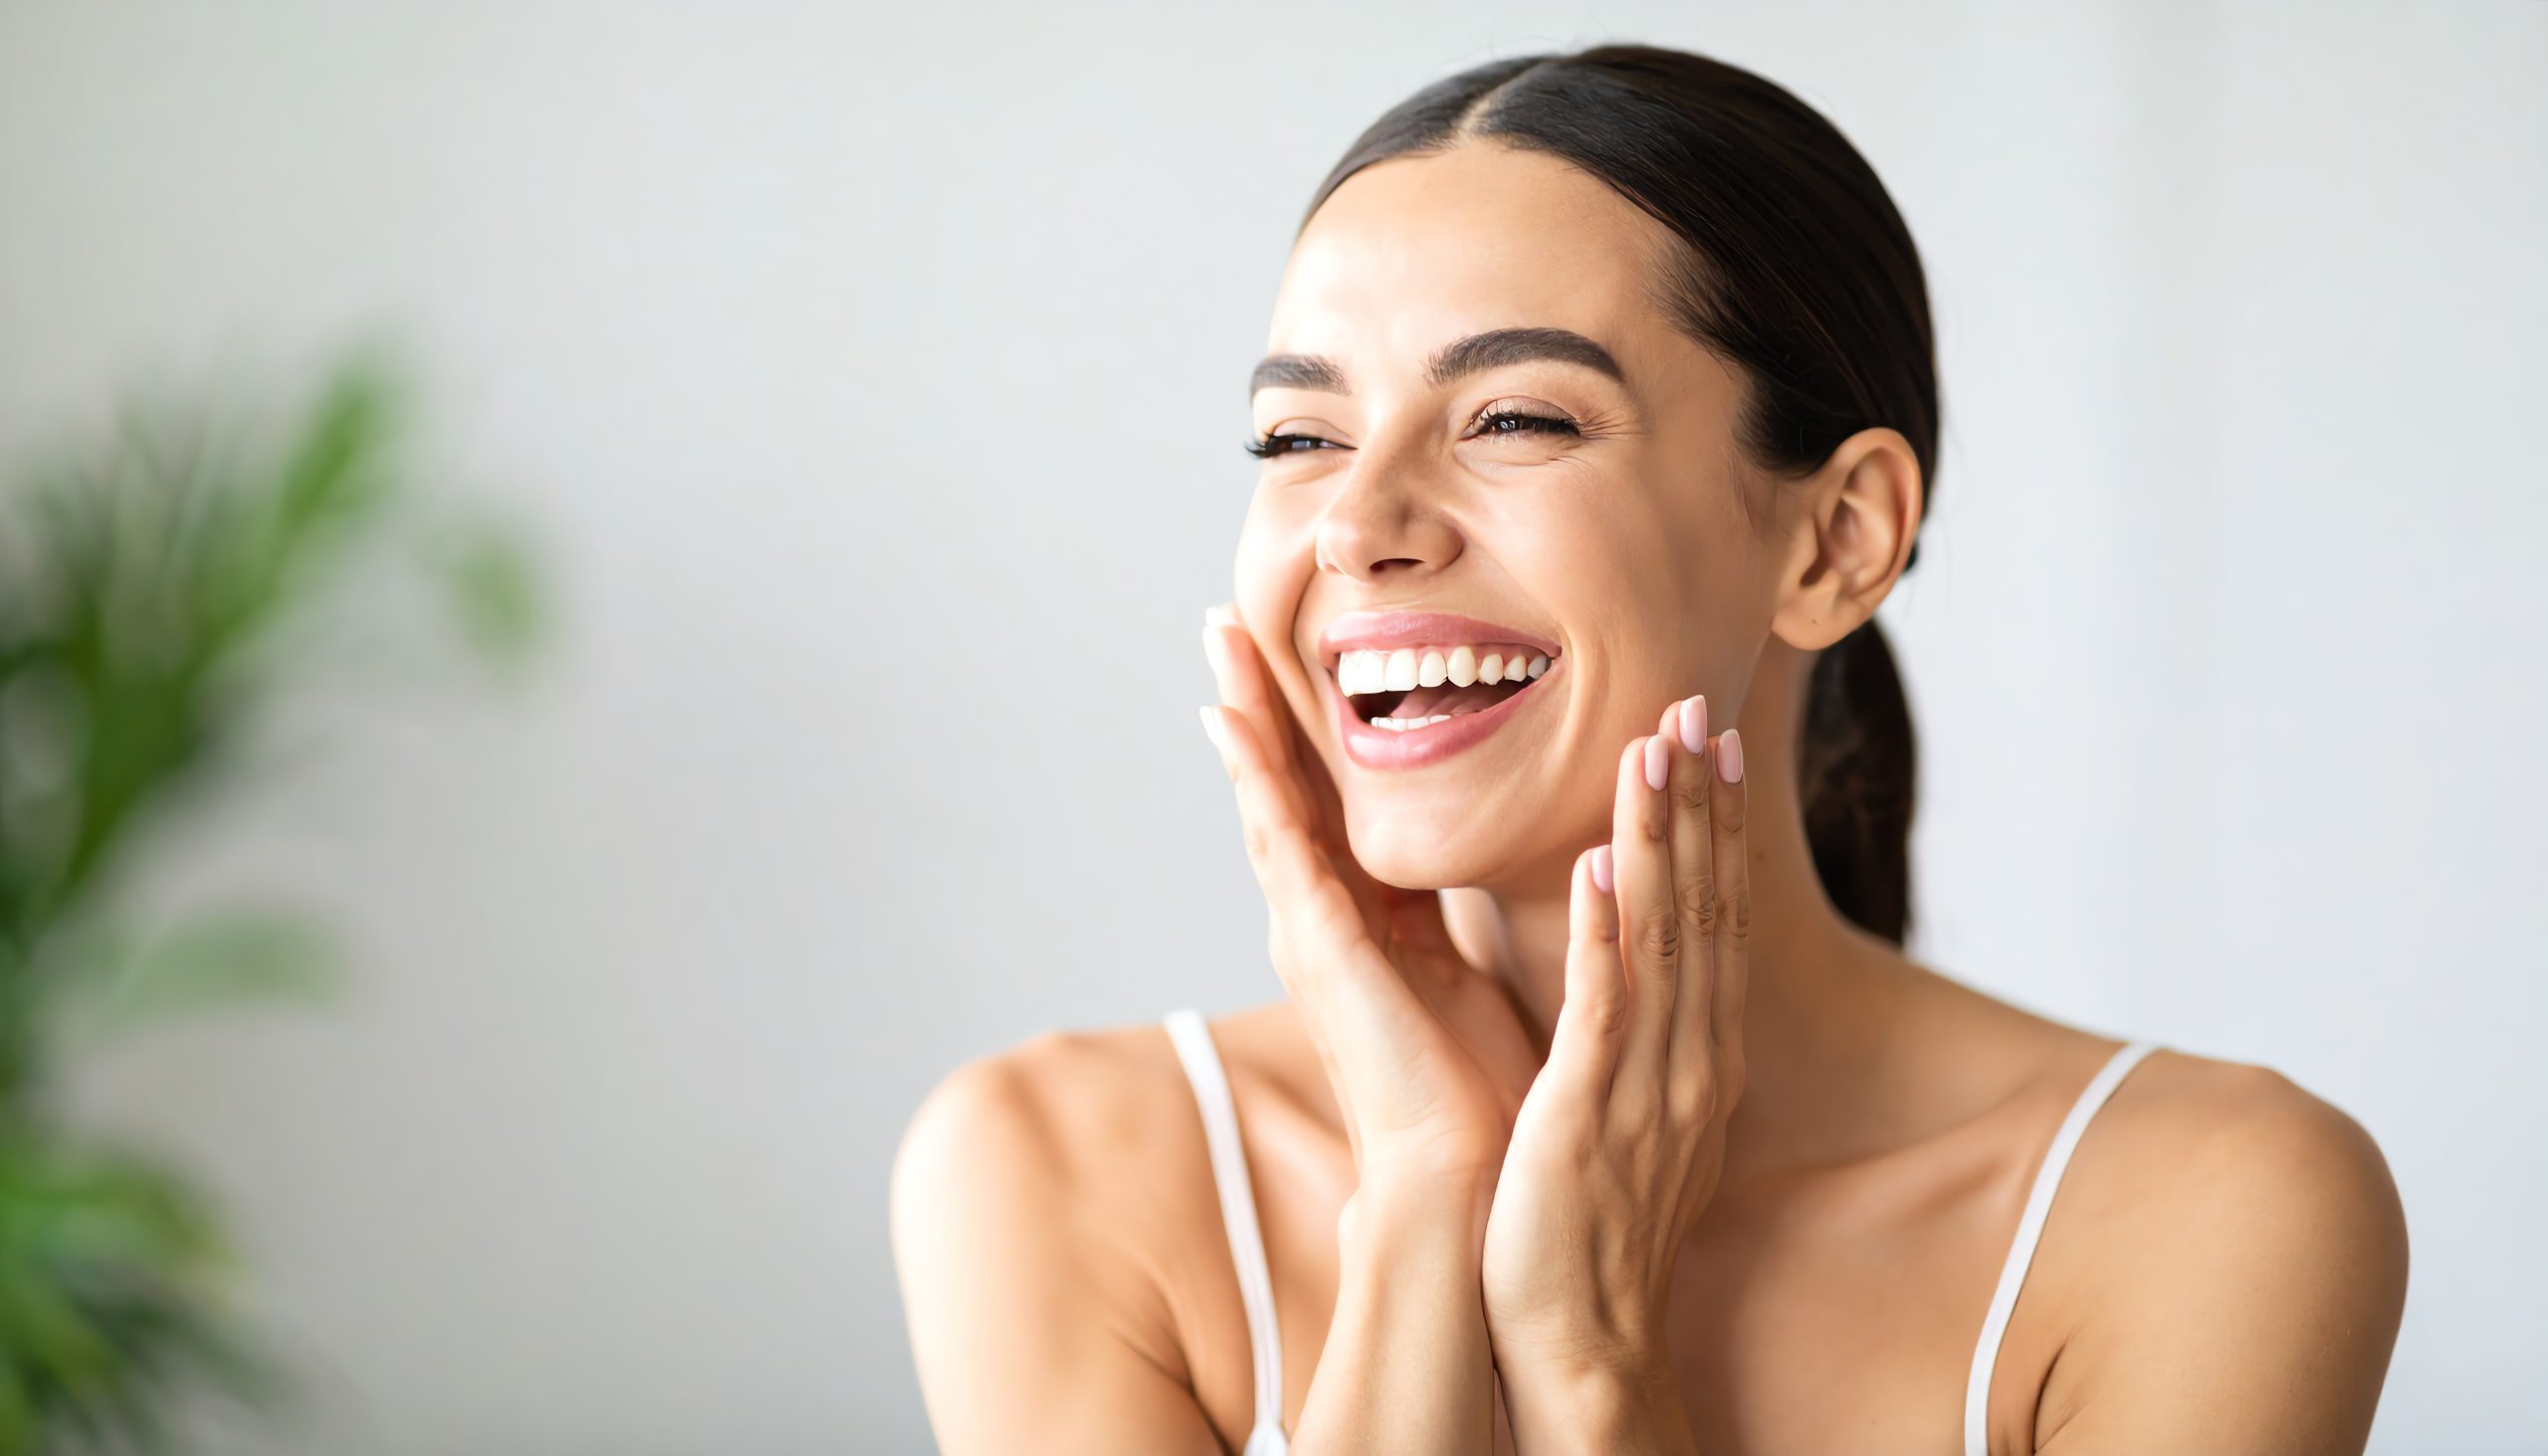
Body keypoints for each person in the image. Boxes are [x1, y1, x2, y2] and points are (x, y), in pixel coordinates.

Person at [892, 43, 2408, 1455]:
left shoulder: (2211, 1208)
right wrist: (1422, 1200)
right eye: (1301, 438)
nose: (1354, 525)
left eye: (1516, 419)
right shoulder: (1054, 1170)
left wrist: (1593, 1359)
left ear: (1838, 539)